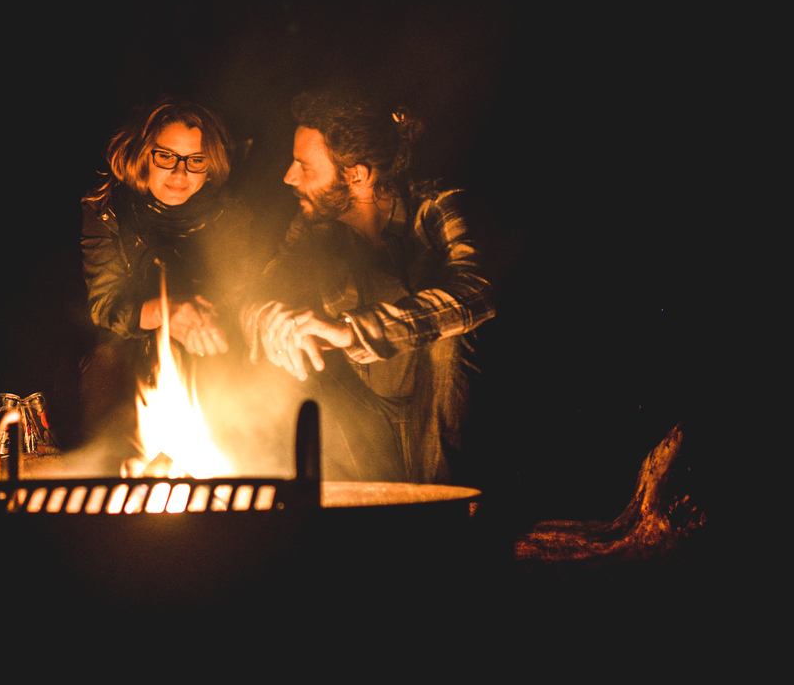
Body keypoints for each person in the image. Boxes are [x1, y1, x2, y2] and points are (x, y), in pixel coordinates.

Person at [241, 89, 496, 483]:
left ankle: (447, 509)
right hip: (366, 420)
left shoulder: (433, 207)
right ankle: (340, 509)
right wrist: (267, 316)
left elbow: (476, 292)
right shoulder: (313, 225)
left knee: (449, 343)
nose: (288, 177)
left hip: (441, 418)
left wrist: (352, 331)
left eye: (304, 167)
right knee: (289, 355)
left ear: (356, 176)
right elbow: (261, 288)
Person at [79, 99, 251, 449]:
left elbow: (241, 295)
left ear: (210, 166)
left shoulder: (230, 215)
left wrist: (210, 320)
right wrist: (168, 312)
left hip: (215, 376)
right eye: (166, 156)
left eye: (195, 160)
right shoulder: (107, 209)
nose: (179, 173)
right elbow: (106, 307)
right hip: (125, 375)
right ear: (145, 155)